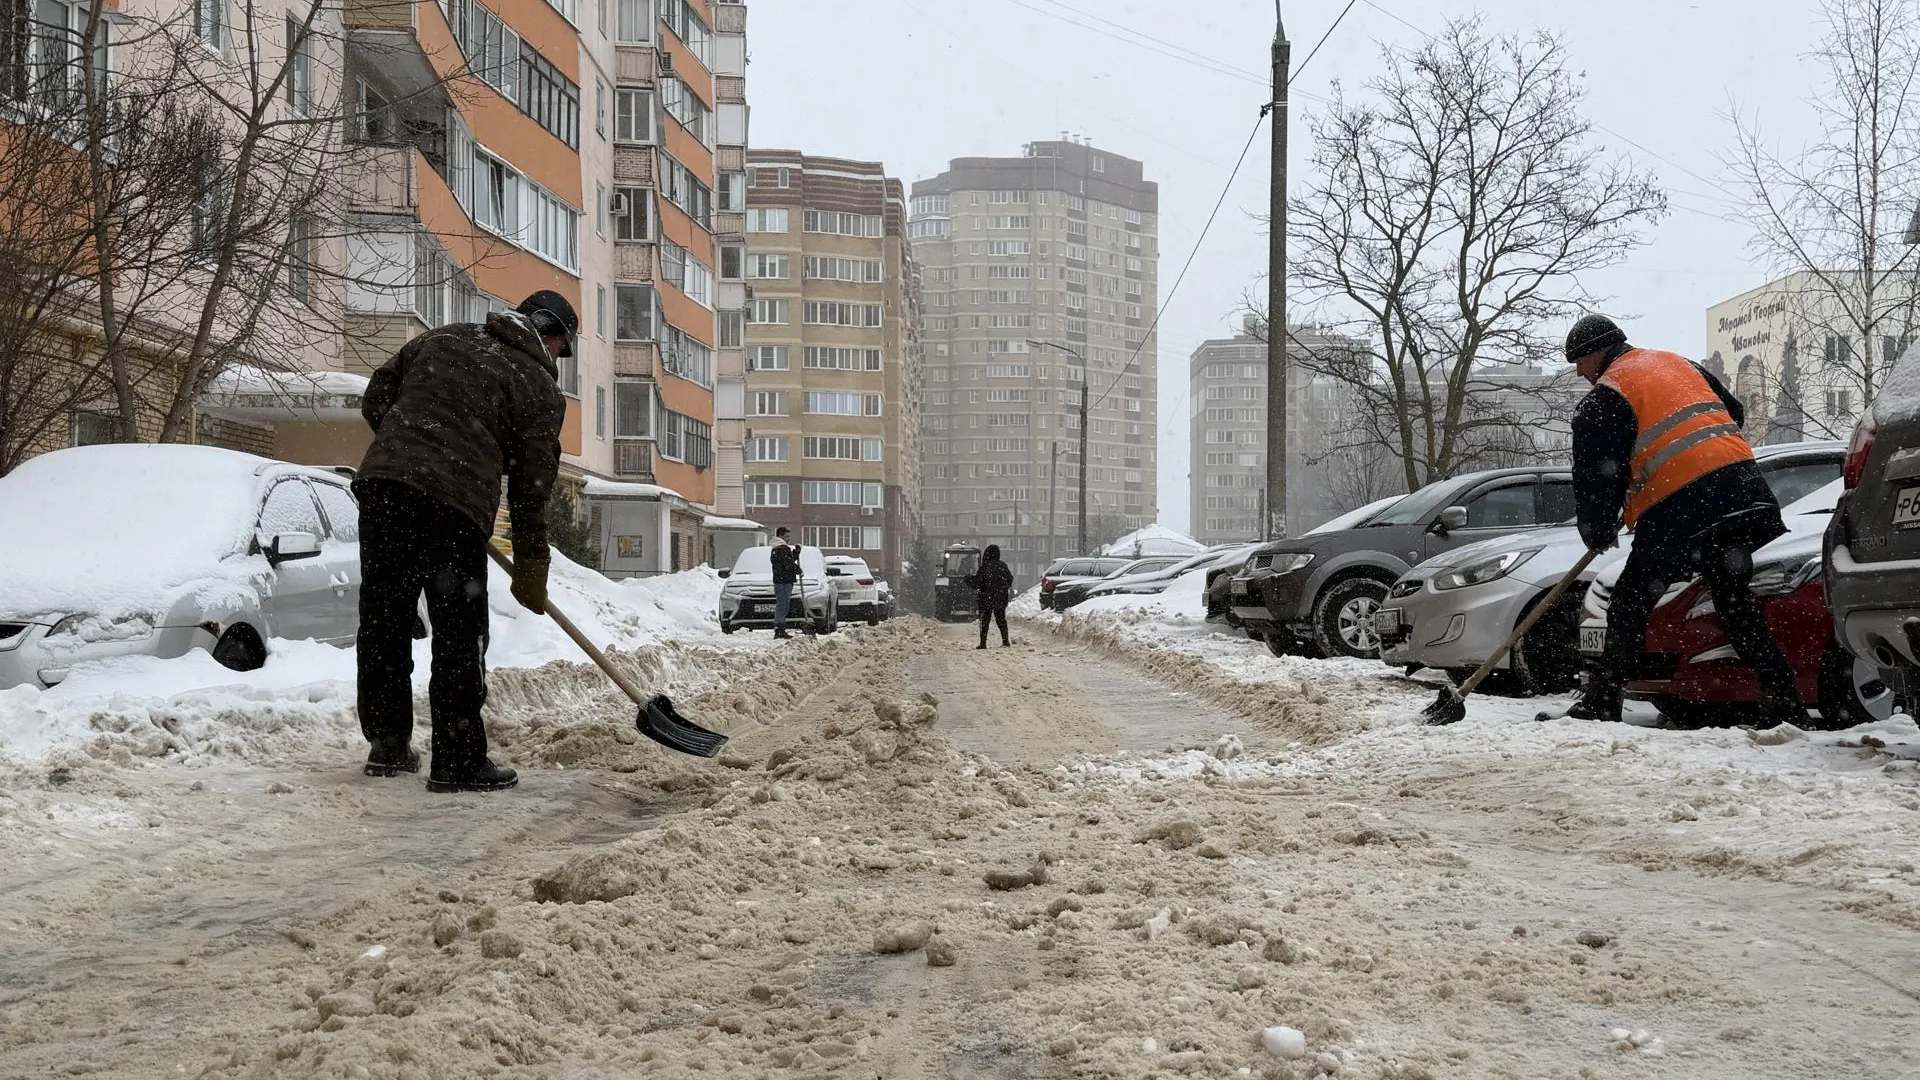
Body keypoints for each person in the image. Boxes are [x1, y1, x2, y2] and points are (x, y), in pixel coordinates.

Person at [355, 290, 574, 792]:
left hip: (384, 490)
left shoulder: (442, 337)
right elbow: (530, 488)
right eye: (563, 350)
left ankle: (388, 745)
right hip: (452, 505)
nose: (559, 360)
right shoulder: (538, 386)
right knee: (459, 630)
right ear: (554, 336)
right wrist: (533, 562)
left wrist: (405, 447)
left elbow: (376, 397)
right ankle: (457, 760)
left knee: (384, 620)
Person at [1563, 314, 1803, 725]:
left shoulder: (1607, 394)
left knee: (1629, 602)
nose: (1580, 374)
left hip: (1683, 505)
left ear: (1595, 354)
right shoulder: (1679, 364)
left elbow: (1597, 476)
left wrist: (1598, 530)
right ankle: (1782, 699)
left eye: (1578, 363)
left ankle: (1602, 700)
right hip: (1744, 491)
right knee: (1733, 600)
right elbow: (1734, 412)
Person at [969, 544, 1015, 649]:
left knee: (985, 620)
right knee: (1001, 619)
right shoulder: (1003, 566)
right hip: (1000, 597)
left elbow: (977, 582)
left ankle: (983, 643)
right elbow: (1010, 579)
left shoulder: (985, 567)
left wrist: (968, 579)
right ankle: (1005, 640)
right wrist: (1003, 588)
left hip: (986, 598)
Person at [770, 527, 801, 640]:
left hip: (782, 580)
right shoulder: (781, 548)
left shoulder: (778, 548)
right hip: (783, 581)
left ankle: (780, 628)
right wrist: (798, 570)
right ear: (781, 536)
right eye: (787, 536)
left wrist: (795, 554)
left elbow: (787, 561)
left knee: (783, 605)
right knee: (783, 606)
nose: (789, 539)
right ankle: (779, 630)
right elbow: (787, 564)